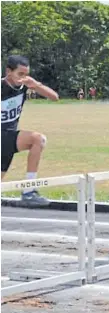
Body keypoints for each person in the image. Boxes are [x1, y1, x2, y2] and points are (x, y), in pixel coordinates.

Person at [1, 55, 59, 206]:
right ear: (8, 71)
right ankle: (29, 191)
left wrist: (36, 85)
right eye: (20, 74)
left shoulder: (25, 85)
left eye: (26, 74)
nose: (23, 78)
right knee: (38, 139)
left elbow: (54, 97)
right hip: (3, 137)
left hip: (9, 139)